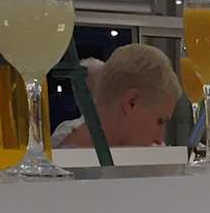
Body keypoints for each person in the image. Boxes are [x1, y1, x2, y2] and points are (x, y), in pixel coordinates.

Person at [53, 44, 182, 149]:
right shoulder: (54, 168)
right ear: (131, 102)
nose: (159, 139)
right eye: (160, 121)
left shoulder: (152, 158)